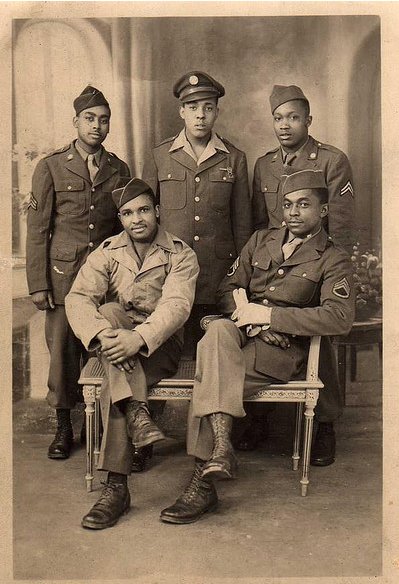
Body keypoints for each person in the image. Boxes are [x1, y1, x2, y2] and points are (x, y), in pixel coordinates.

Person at [160, 169, 355, 524]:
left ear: (323, 211)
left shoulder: (332, 256)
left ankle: (202, 483)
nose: (292, 212)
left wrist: (269, 317)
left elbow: (338, 318)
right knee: (217, 333)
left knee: (211, 372)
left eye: (303, 205)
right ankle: (220, 450)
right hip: (244, 334)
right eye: (287, 204)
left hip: (282, 353)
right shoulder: (261, 240)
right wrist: (252, 322)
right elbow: (226, 289)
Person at [65, 177, 199, 530]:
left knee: (116, 367)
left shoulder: (181, 253)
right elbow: (77, 298)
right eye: (127, 213)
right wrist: (103, 334)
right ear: (120, 219)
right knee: (108, 313)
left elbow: (176, 306)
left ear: (157, 211)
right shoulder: (108, 252)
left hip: (160, 344)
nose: (136, 219)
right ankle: (137, 411)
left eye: (143, 210)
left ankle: (116, 488)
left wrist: (137, 339)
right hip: (114, 344)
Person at [140, 70, 253, 469]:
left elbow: (244, 232)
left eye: (208, 107)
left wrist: (240, 285)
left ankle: (206, 450)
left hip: (217, 282)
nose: (200, 115)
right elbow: (147, 223)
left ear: (217, 111)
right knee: (158, 352)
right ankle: (146, 435)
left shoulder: (234, 158)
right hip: (170, 282)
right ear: (181, 112)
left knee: (209, 361)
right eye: (192, 108)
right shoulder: (159, 155)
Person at [244, 84, 356, 462]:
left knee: (319, 336)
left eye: (293, 117)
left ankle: (324, 423)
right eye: (278, 118)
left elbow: (339, 228)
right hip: (276, 267)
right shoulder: (264, 165)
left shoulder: (332, 160)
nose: (285, 125)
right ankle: (257, 415)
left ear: (308, 120)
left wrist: (319, 276)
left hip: (317, 266)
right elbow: (261, 227)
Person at [26, 86, 130, 460]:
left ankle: (95, 423)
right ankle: (63, 424)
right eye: (90, 118)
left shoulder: (118, 168)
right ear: (76, 122)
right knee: (63, 351)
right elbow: (38, 228)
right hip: (63, 276)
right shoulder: (51, 166)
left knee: (103, 345)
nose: (97, 126)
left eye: (104, 120)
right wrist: (38, 284)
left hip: (106, 278)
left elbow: (124, 229)